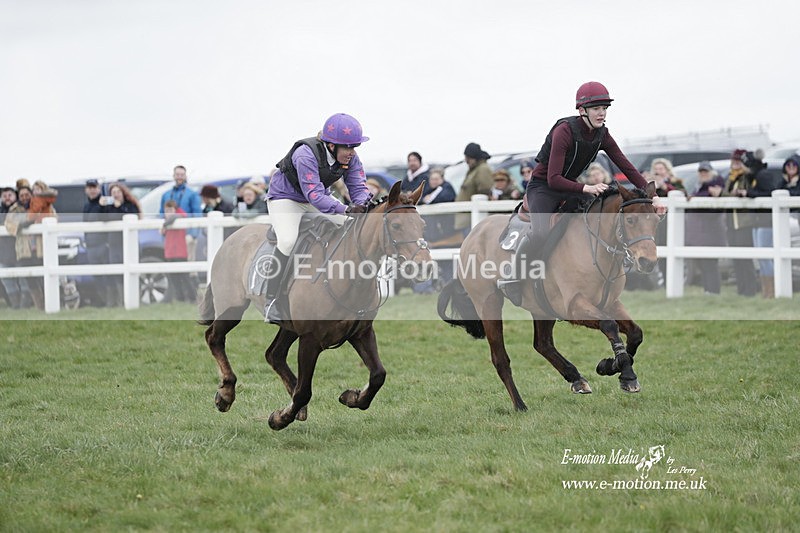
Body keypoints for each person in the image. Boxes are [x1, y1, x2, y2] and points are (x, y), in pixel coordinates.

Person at [512, 81, 665, 285]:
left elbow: (627, 167)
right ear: (582, 110)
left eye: (604, 108)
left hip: (571, 187)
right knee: (540, 233)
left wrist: (653, 197)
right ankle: (514, 277)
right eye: (596, 109)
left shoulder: (603, 134)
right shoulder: (564, 131)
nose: (602, 113)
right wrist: (587, 188)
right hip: (543, 188)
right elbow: (553, 179)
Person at [264, 113, 371, 322]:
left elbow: (358, 187)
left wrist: (362, 205)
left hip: (315, 199)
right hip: (286, 200)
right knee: (287, 241)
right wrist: (346, 209)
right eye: (347, 147)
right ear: (331, 145)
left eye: (354, 147)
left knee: (352, 228)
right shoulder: (305, 155)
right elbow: (315, 195)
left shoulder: (350, 158)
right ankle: (272, 301)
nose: (351, 152)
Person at [740, 150, 782, 298]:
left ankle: (773, 290)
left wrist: (749, 194)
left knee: (766, 256)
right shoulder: (754, 176)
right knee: (761, 256)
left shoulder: (763, 175)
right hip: (758, 220)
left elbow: (769, 194)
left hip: (766, 221)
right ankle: (767, 291)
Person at [4, 185, 50, 309]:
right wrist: (22, 224)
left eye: (27, 195)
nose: (24, 197)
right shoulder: (14, 209)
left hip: (40, 248)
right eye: (22, 195)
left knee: (43, 277)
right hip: (24, 249)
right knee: (30, 280)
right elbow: (9, 225)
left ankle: (49, 302)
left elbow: (52, 218)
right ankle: (39, 305)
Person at [685, 161, 727, 294]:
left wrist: (694, 198)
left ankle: (713, 290)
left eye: (706, 172)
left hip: (710, 231)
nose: (703, 174)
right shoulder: (700, 186)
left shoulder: (716, 182)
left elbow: (713, 201)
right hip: (699, 232)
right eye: (701, 172)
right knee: (702, 263)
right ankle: (708, 289)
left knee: (710, 264)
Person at [722, 149, 759, 296]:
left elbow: (749, 190)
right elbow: (726, 194)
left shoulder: (748, 177)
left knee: (745, 259)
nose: (735, 164)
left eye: (738, 161)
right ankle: (741, 289)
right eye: (734, 161)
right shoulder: (730, 178)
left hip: (744, 223)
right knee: (736, 259)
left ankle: (750, 290)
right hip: (731, 222)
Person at [101, 182, 142, 306]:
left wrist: (119, 207)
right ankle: (119, 301)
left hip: (129, 244)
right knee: (116, 273)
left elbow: (133, 217)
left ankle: (133, 298)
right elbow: (104, 219)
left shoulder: (130, 205)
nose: (116, 195)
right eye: (113, 193)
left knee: (132, 271)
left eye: (118, 192)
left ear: (123, 192)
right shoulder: (109, 207)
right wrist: (102, 206)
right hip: (114, 244)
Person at [160, 165, 202, 261]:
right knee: (172, 262)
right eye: (177, 174)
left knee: (188, 264)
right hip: (171, 235)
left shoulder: (192, 194)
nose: (179, 177)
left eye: (182, 175)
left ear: (185, 176)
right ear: (173, 176)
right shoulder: (166, 195)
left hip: (186, 235)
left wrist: (193, 235)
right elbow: (161, 214)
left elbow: (197, 214)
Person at [160, 200, 196, 303]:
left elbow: (179, 216)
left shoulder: (179, 217)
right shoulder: (166, 222)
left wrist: (165, 224)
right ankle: (180, 298)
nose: (169, 213)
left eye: (171, 210)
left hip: (180, 252)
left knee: (185, 277)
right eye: (166, 210)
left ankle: (192, 297)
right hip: (170, 252)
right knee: (174, 278)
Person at [82, 178, 110, 307]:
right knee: (97, 276)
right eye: (90, 188)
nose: (92, 190)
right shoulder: (87, 206)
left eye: (94, 187)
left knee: (107, 276)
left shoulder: (104, 203)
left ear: (99, 189)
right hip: (91, 245)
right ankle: (103, 301)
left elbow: (107, 219)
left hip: (103, 245)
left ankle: (111, 301)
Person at [454, 142, 494, 233]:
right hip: (467, 218)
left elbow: (485, 191)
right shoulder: (473, 170)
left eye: (468, 158)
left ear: (475, 157)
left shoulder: (483, 169)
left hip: (473, 219)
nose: (466, 161)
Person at [0, 187, 26, 309]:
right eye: (4, 196)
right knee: (7, 280)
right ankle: (15, 305)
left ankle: (26, 305)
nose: (7, 198)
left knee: (23, 279)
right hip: (3, 253)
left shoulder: (19, 210)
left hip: (18, 250)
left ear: (15, 196)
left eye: (9, 195)